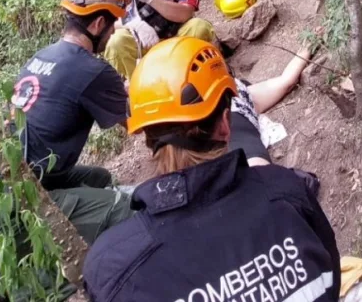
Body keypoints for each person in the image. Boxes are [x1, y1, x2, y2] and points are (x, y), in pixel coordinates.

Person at [83, 37, 342, 302]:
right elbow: (331, 272)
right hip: (249, 173)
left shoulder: (111, 266)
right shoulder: (285, 189)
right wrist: (306, 43)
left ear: (146, 136)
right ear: (225, 123)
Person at [0, 0, 133, 275]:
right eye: (111, 25)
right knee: (125, 209)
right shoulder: (92, 70)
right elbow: (140, 127)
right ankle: (12, 274)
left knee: (98, 178)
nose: (113, 33)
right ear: (98, 24)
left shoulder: (41, 56)